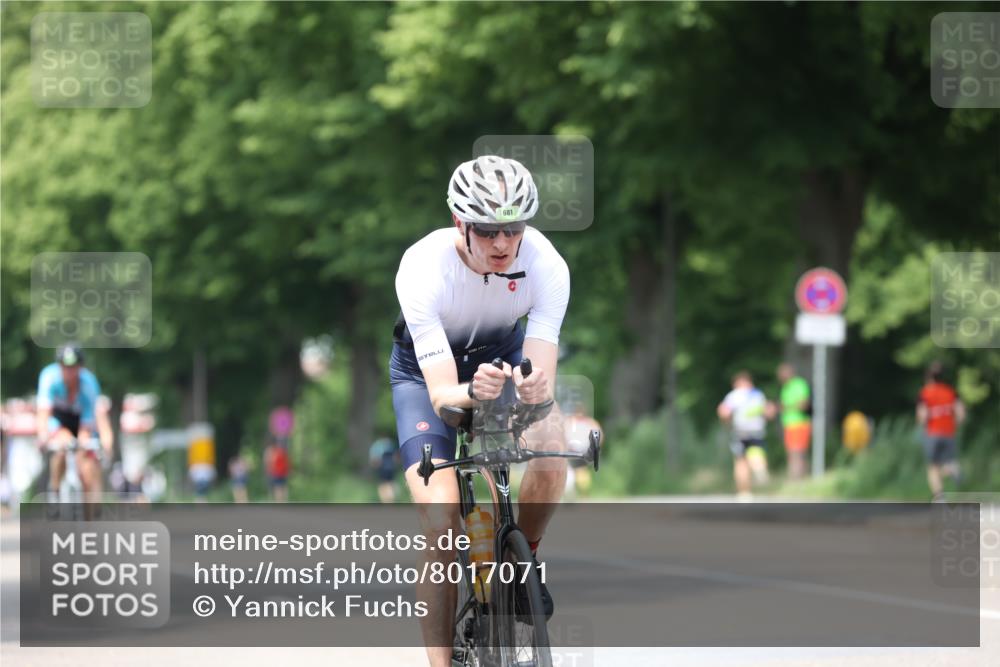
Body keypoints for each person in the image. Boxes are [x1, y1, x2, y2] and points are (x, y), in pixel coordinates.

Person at [390, 155, 570, 666]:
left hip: (502, 359)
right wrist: (474, 392)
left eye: (512, 229)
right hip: (426, 379)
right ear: (459, 223)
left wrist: (533, 393)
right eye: (487, 230)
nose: (501, 243)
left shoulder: (547, 265)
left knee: (552, 448)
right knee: (443, 519)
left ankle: (523, 563)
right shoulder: (422, 268)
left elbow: (542, 375)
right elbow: (446, 396)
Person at [36, 344, 112, 507]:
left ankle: (89, 512)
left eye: (73, 367)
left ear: (80, 368)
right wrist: (43, 437)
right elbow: (43, 415)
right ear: (59, 366)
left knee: (87, 465)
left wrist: (99, 445)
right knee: (61, 449)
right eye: (65, 367)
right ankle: (55, 490)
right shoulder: (49, 378)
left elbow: (90, 423)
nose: (69, 372)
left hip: (80, 422)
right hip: (57, 420)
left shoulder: (89, 384)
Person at [717, 371, 776, 499]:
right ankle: (759, 469)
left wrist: (727, 423)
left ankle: (744, 492)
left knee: (740, 461)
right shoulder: (758, 394)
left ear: (737, 383)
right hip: (757, 430)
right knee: (756, 454)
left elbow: (723, 411)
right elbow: (769, 412)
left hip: (740, 431)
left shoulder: (734, 395)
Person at [916, 361, 965, 500]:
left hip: (932, 432)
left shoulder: (925, 393)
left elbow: (923, 415)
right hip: (949, 432)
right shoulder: (951, 392)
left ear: (929, 378)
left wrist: (921, 423)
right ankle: (951, 468)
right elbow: (961, 413)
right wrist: (953, 424)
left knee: (933, 467)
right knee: (947, 461)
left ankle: (939, 498)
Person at [777, 363, 811, 479]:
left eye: (781, 374)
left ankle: (798, 478)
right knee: (792, 452)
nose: (780, 377)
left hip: (799, 423)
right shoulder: (785, 387)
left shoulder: (799, 384)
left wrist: (787, 407)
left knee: (797, 452)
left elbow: (803, 404)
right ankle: (796, 477)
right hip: (789, 424)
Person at [369, 436, 399, 503]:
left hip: (382, 469)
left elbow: (374, 460)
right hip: (391, 468)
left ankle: (386, 501)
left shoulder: (377, 445)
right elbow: (396, 457)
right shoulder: (390, 444)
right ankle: (391, 501)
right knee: (391, 484)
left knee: (383, 485)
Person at [263, 438, 290, 503]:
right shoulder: (282, 450)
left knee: (277, 488)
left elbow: (269, 462)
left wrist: (269, 470)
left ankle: (278, 502)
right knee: (283, 487)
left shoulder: (271, 451)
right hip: (283, 472)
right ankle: (284, 501)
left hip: (276, 473)